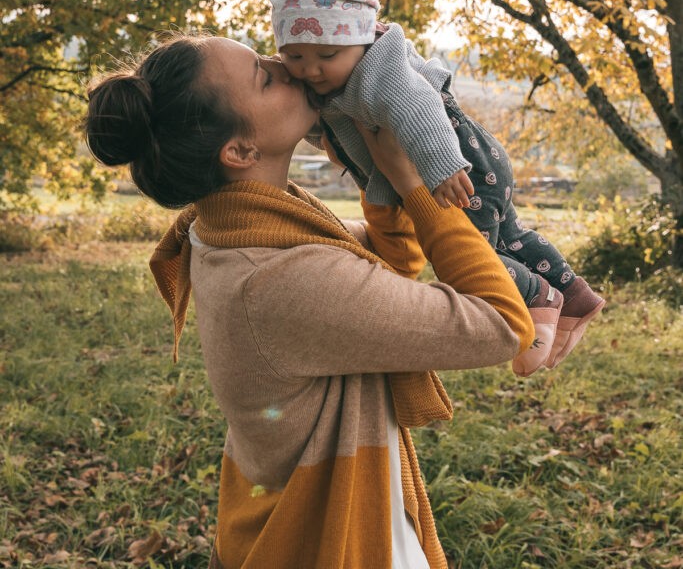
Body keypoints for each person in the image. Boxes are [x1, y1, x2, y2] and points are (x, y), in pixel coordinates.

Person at [85, 32, 534, 569]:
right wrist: (414, 183)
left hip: (289, 522)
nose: (287, 67)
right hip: (330, 540)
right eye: (265, 76)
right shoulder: (278, 275)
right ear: (239, 150)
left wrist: (374, 169)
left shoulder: (234, 229)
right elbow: (503, 323)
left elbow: (388, 260)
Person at [270, 0, 605, 377]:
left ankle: (537, 299)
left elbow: (417, 107)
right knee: (509, 235)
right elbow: (338, 130)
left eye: (327, 56)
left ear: (362, 35)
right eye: (294, 56)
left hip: (457, 165)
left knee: (478, 254)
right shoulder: (337, 79)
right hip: (480, 159)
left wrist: (442, 166)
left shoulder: (378, 69)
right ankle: (574, 293)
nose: (310, 70)